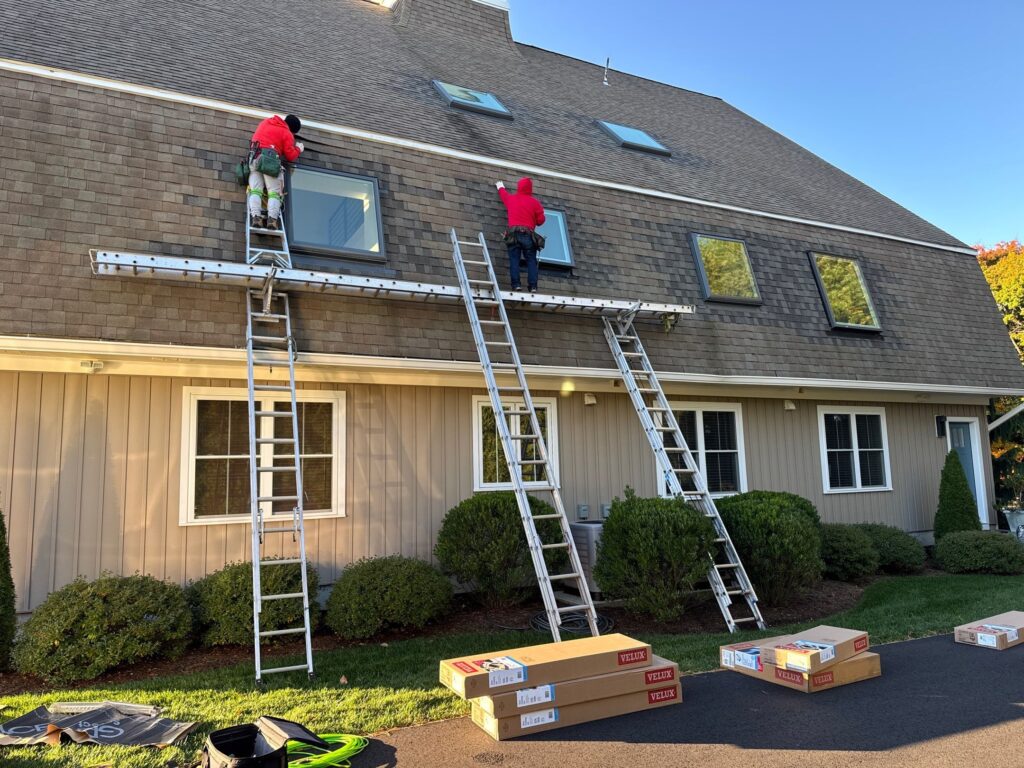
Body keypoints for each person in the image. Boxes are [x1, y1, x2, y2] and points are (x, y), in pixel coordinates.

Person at [248, 114, 304, 230]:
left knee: (256, 190)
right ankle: (272, 220)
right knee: (274, 192)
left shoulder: (266, 122)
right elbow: (290, 156)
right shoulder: (286, 133)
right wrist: (298, 148)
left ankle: (256, 218)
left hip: (254, 158)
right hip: (270, 160)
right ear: (292, 130)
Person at [496, 178, 545, 291]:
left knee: (514, 260)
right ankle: (533, 286)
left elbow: (504, 195)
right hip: (528, 234)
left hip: (513, 234)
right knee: (531, 261)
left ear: (519, 187)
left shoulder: (511, 199)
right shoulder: (535, 203)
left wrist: (500, 186)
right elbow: (541, 220)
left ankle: (516, 285)